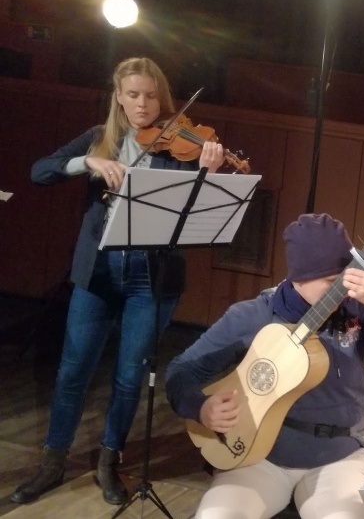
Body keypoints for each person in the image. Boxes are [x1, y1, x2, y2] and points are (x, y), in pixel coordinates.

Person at [12, 57, 226, 505]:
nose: (143, 104)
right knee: (73, 370)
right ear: (119, 98)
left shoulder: (177, 145)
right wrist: (86, 161)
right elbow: (40, 171)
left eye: (150, 95)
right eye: (133, 95)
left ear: (161, 97)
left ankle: (111, 461)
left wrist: (209, 168)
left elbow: (196, 208)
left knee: (130, 377)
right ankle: (52, 462)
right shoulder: (99, 138)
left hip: (152, 277)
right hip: (98, 273)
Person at [165, 213, 364, 519]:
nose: (342, 289)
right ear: (299, 277)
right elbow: (182, 370)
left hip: (340, 455)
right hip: (260, 455)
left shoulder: (357, 309)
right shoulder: (253, 315)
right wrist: (200, 407)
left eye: (345, 277)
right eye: (332, 282)